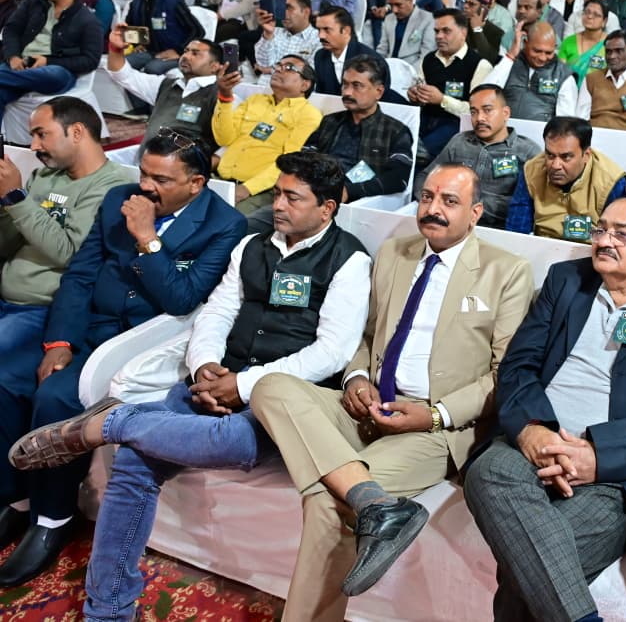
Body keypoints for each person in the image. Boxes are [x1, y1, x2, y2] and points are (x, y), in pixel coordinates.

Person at [8, 151, 368, 619]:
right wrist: (205, 367)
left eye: (292, 197)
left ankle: (113, 422)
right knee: (135, 462)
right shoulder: (253, 244)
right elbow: (216, 312)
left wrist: (243, 385)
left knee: (231, 439)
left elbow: (332, 353)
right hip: (216, 379)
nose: (278, 205)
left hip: (279, 400)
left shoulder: (349, 259)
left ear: (326, 208)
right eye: (277, 193)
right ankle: (108, 610)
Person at [250, 163, 533, 616]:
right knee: (270, 386)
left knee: (329, 500)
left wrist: (435, 414)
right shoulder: (394, 253)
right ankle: (375, 502)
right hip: (368, 408)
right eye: (427, 197)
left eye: (450, 201)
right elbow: (367, 336)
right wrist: (356, 378)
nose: (433, 209)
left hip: (434, 428)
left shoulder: (506, 272)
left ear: (476, 213)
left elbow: (506, 375)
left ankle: (356, 505)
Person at [0, 128, 246, 586]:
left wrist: (147, 238)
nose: (146, 187)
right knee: (7, 379)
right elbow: (81, 274)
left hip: (145, 341)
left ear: (196, 183)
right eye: (144, 174)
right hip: (90, 325)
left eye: (161, 179)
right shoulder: (118, 198)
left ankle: (52, 518)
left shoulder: (225, 224)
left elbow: (182, 298)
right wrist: (60, 342)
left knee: (55, 396)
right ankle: (15, 495)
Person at [465, 196, 626, 622]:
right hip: (532, 445)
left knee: (526, 573)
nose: (604, 241)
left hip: (616, 476)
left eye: (622, 234)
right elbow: (518, 366)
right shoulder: (566, 281)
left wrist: (598, 457)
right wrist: (532, 430)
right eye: (600, 229)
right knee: (488, 471)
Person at [0, 98, 133, 414]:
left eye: (41, 134)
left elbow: (70, 254)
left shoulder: (114, 186)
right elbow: (9, 243)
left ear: (76, 132)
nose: (34, 146)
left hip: (39, 308)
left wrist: (16, 198)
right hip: (7, 295)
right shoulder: (45, 176)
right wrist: (4, 204)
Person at [213, 55, 323, 214]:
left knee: (229, 220)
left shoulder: (308, 115)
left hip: (260, 191)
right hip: (220, 179)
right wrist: (224, 97)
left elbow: (290, 163)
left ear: (305, 85)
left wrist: (247, 188)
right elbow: (224, 139)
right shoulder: (255, 100)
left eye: (289, 68)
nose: (278, 69)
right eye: (278, 65)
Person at [419, 85, 540, 228]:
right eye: (473, 112)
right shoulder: (459, 142)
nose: (479, 118)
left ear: (506, 113)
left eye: (487, 110)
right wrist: (435, 201)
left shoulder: (527, 151)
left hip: (501, 229)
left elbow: (534, 204)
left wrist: (467, 204)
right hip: (452, 224)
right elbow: (425, 177)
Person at [299, 55, 413, 204]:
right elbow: (306, 156)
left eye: (357, 86)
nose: (347, 92)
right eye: (345, 84)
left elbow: (398, 179)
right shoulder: (330, 121)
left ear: (378, 91)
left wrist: (349, 190)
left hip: (360, 203)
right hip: (315, 193)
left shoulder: (395, 131)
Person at [0, 0, 101, 116]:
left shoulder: (86, 19)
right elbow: (11, 29)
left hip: (55, 70)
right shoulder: (34, 0)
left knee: (54, 75)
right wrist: (13, 56)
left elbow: (90, 60)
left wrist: (47, 61)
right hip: (21, 64)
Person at [505, 116, 626, 240]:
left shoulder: (611, 181)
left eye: (566, 157)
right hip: (541, 244)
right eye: (550, 155)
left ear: (586, 155)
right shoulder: (531, 171)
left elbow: (616, 240)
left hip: (590, 249)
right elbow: (516, 232)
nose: (555, 165)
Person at [106, 25, 223, 153]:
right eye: (186, 51)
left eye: (195, 53)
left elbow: (232, 140)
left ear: (214, 66)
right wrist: (115, 48)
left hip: (186, 164)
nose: (186, 56)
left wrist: (213, 160)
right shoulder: (165, 84)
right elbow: (123, 75)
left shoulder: (221, 95)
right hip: (146, 159)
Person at [408, 7, 492, 161]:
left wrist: (442, 100)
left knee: (423, 150)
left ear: (463, 33)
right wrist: (415, 96)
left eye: (446, 31)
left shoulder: (479, 65)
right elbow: (418, 90)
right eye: (436, 31)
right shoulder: (428, 60)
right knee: (402, 142)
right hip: (424, 119)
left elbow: (478, 112)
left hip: (457, 125)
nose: (439, 36)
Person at [485, 21, 577, 122]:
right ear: (525, 43)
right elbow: (485, 94)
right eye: (537, 51)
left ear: (555, 48)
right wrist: (510, 56)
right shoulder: (509, 64)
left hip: (543, 131)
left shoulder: (563, 75)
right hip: (505, 129)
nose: (542, 58)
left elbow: (565, 121)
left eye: (548, 53)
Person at [124, 0, 202, 76]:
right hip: (149, 50)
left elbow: (197, 30)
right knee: (123, 63)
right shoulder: (137, 0)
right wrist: (138, 44)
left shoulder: (172, 0)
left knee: (152, 69)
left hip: (174, 51)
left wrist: (178, 51)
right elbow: (129, 26)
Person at [253, 0, 319, 83]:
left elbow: (308, 74)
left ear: (306, 12)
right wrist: (268, 34)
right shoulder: (274, 32)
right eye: (281, 8)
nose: (283, 13)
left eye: (288, 8)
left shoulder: (318, 38)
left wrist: (271, 70)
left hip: (293, 90)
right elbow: (263, 64)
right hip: (264, 86)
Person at [312, 5, 378, 95]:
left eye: (327, 30)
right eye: (319, 30)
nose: (321, 36)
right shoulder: (320, 56)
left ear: (346, 31)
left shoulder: (371, 59)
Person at [376, 0, 436, 68]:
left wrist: (408, 72)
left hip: (412, 68)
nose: (394, 10)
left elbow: (426, 56)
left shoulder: (427, 19)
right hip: (390, 67)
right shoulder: (389, 19)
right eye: (391, 5)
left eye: (398, 5)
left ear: (410, 0)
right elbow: (382, 49)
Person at [559, 0, 609, 84]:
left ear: (604, 21)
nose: (589, 16)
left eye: (596, 14)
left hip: (600, 89)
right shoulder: (568, 42)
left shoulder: (610, 44)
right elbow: (560, 72)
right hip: (571, 89)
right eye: (587, 12)